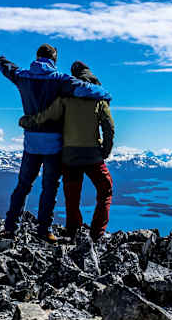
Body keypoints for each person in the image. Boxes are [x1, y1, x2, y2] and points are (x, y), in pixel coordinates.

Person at [0, 25, 111, 242]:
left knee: (23, 187)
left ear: (36, 57)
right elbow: (88, 90)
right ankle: (44, 231)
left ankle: (10, 229)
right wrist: (106, 94)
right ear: (54, 59)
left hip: (31, 144)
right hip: (54, 145)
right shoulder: (61, 80)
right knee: (49, 189)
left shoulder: (22, 76)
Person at [28, 61, 114, 242]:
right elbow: (109, 127)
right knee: (105, 190)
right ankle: (97, 232)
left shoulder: (65, 98)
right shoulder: (99, 99)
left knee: (72, 195)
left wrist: (27, 121)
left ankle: (73, 230)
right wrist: (104, 151)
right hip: (93, 156)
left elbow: (46, 116)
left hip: (69, 156)